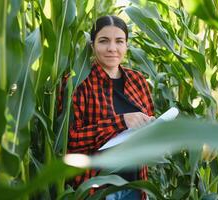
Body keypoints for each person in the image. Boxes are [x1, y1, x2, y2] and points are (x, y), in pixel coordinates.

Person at [63, 15, 155, 200]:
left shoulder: (138, 81)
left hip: (135, 184)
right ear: (92, 45)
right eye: (104, 41)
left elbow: (148, 123)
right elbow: (70, 140)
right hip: (96, 187)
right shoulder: (78, 83)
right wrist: (121, 122)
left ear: (126, 45)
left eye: (119, 41)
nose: (112, 48)